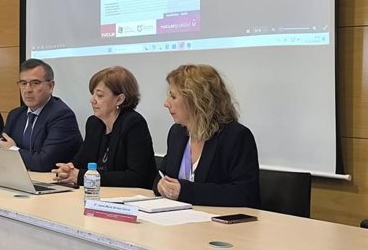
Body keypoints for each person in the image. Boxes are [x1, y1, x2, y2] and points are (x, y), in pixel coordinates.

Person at [154, 64, 260, 207]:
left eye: (173, 97)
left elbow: (245, 194)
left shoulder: (236, 136)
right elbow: (161, 176)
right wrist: (161, 186)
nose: (166, 103)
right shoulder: (177, 133)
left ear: (196, 100)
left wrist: (185, 191)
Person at [52, 66, 157, 188]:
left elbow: (135, 177)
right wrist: (68, 169)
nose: (92, 100)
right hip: (101, 194)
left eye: (100, 96)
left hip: (132, 198)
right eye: (93, 95)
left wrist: (82, 176)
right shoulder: (94, 123)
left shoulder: (134, 124)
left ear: (119, 99)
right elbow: (80, 161)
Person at [0, 59, 82, 171]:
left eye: (35, 83)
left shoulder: (62, 116)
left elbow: (44, 162)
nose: (27, 90)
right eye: (23, 83)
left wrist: (13, 150)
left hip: (54, 182)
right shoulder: (16, 114)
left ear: (51, 86)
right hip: (22, 179)